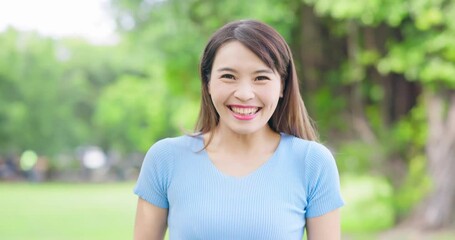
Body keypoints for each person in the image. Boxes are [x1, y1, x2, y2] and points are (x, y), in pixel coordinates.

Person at [134, 19, 344, 240]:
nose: (244, 93)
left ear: (282, 85)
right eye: (228, 76)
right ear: (207, 83)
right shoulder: (165, 159)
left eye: (261, 78)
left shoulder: (313, 162)